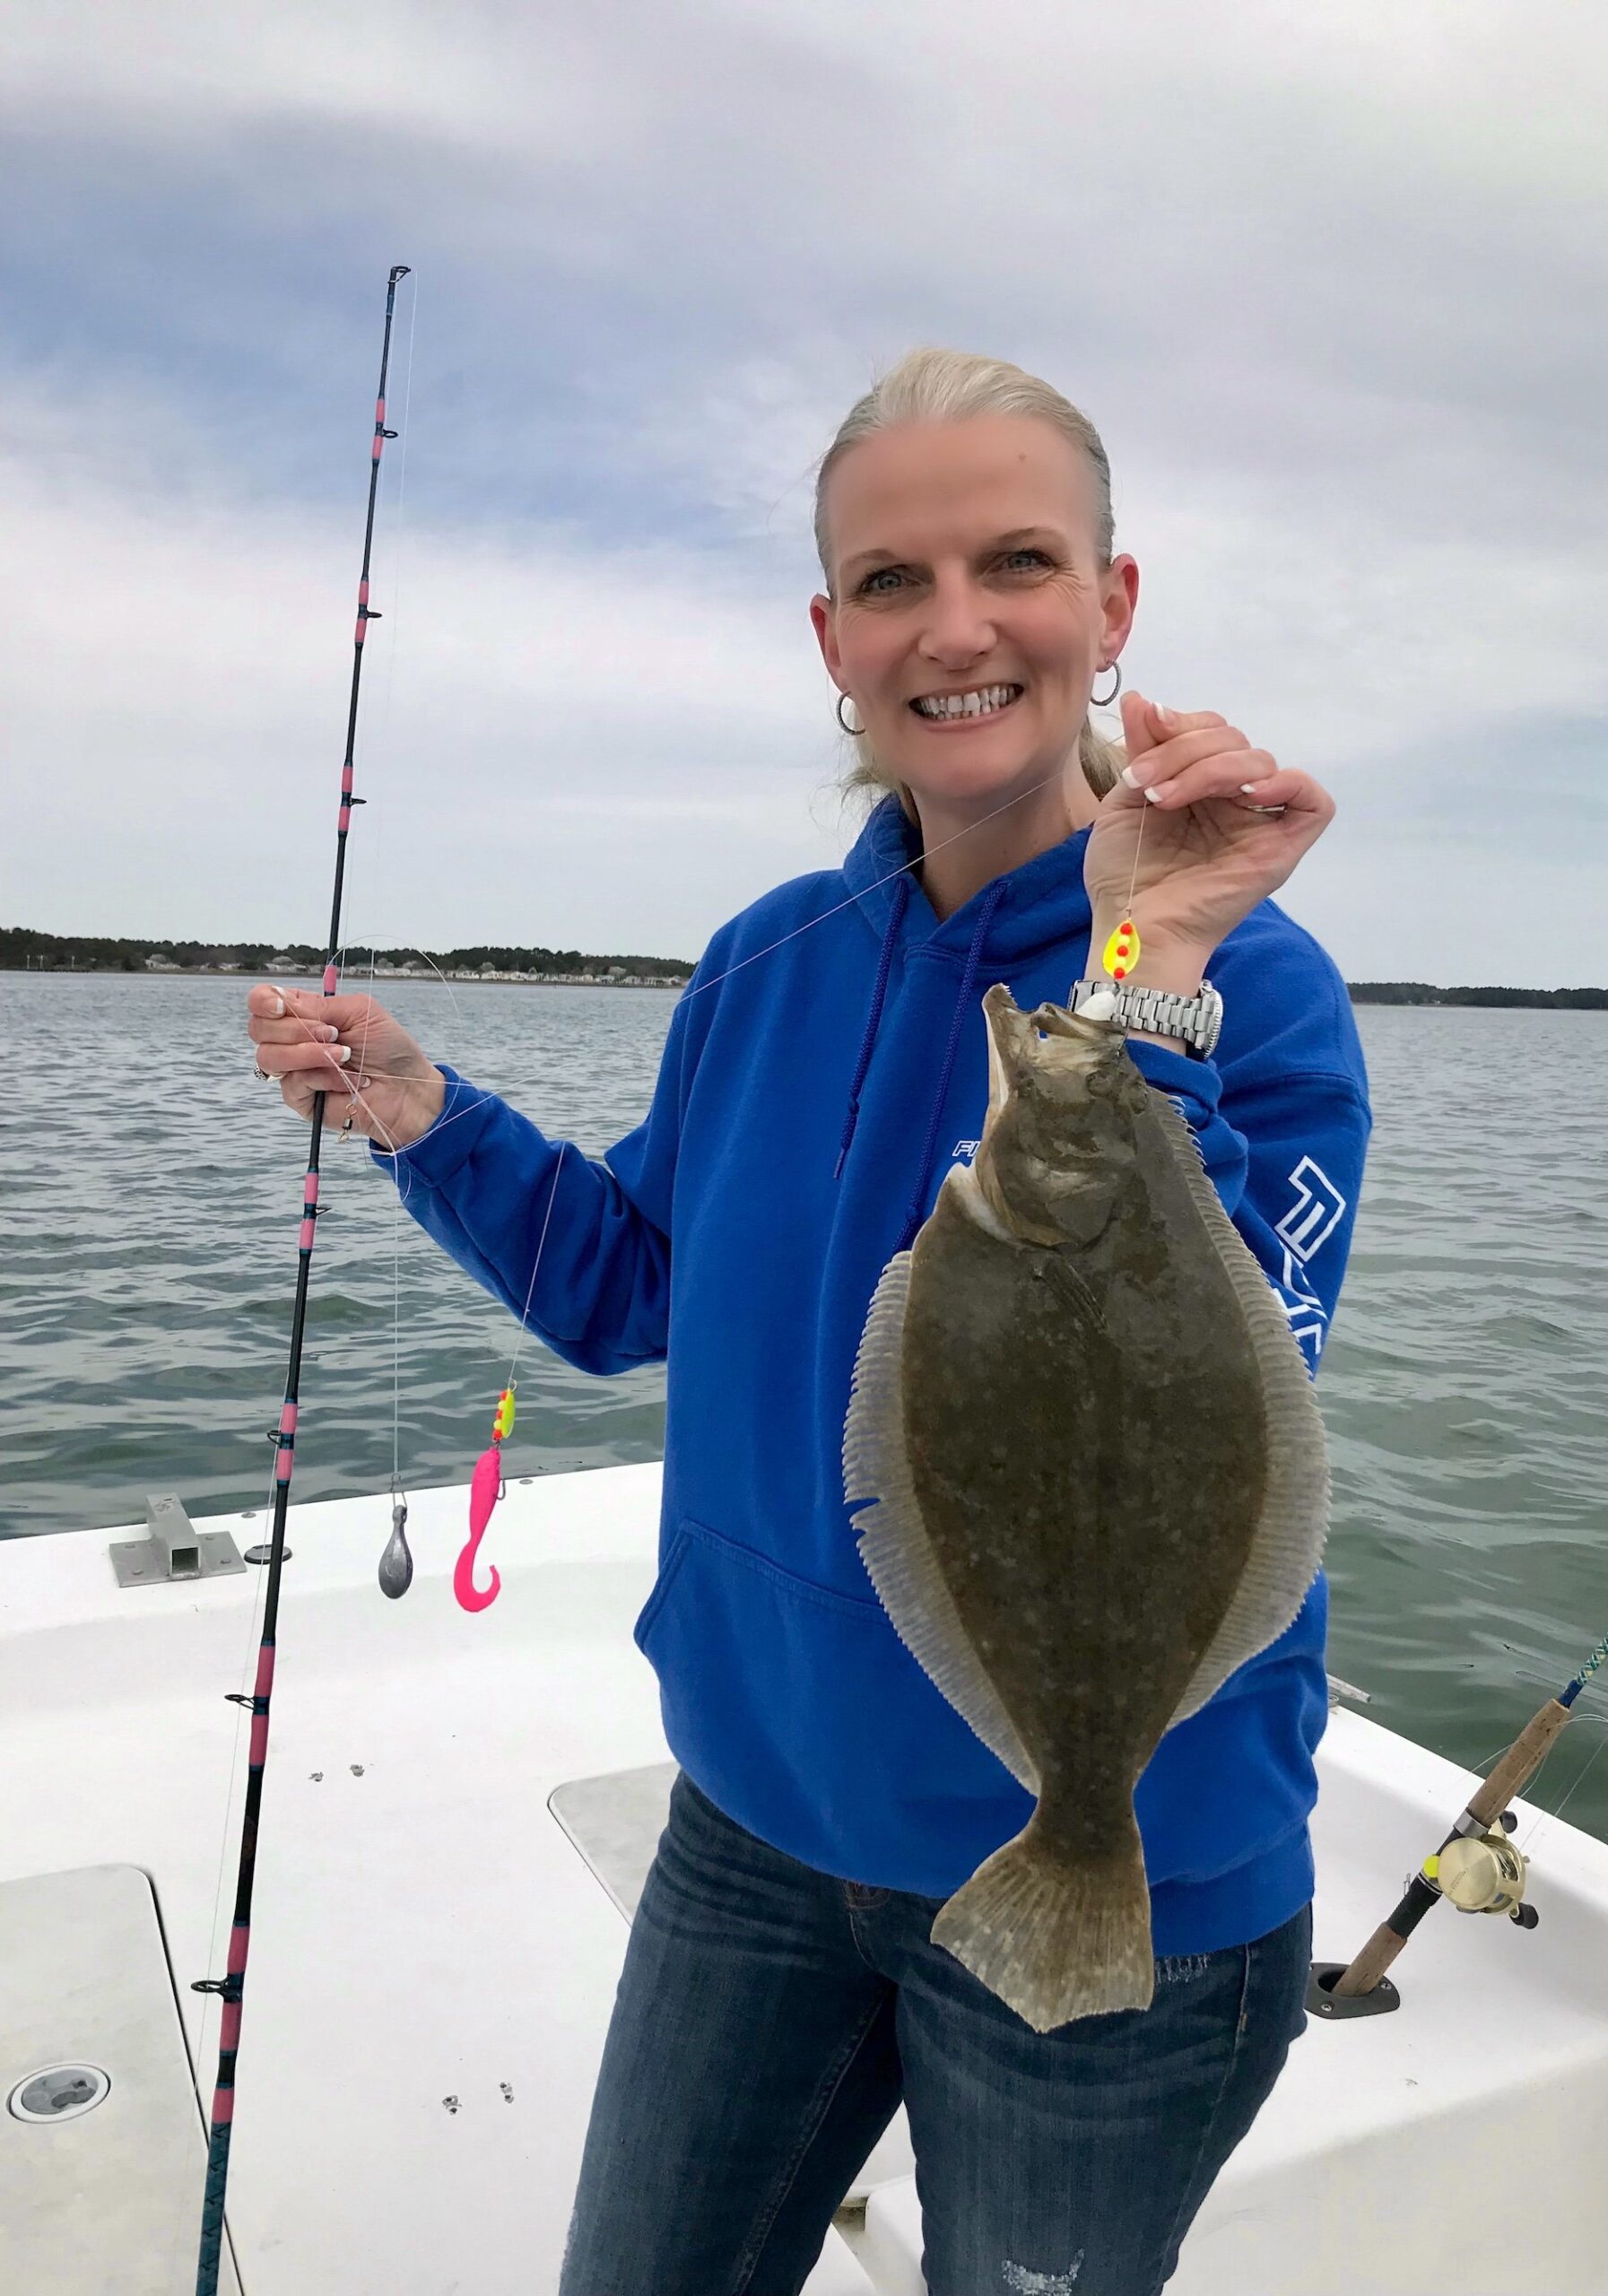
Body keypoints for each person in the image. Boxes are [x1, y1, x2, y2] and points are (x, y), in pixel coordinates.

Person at [248, 348, 1372, 2296]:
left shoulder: (1244, 987)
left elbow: (1214, 1378)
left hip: (1121, 1875)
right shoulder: (768, 959)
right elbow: (630, 1287)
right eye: (888, 580)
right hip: (757, 1829)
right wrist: (426, 1113)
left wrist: (1143, 971)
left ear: (1112, 611)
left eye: (1017, 560)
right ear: (830, 638)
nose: (956, 626)